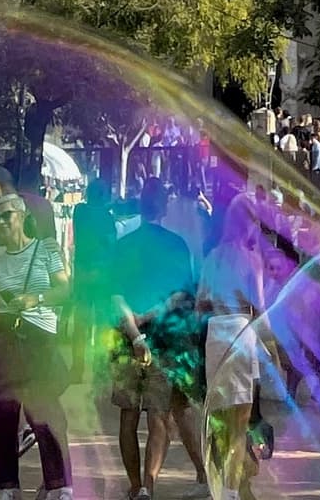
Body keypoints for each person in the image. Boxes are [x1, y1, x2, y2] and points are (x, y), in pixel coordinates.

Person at [107, 182, 203, 500]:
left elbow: (115, 294)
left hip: (126, 340)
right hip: (164, 340)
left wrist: (134, 327)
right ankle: (149, 484)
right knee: (158, 414)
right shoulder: (177, 245)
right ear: (163, 207)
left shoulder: (123, 245)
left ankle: (135, 485)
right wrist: (151, 314)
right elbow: (180, 294)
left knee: (128, 415)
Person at [0, 196, 67, 500]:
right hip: (3, 335)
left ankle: (58, 484)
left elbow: (64, 289)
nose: (1, 222)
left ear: (22, 216)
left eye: (6, 215)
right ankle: (7, 486)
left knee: (42, 412)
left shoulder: (47, 247)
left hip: (38, 335)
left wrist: (34, 300)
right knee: (4, 415)